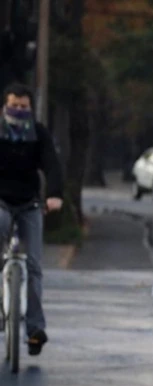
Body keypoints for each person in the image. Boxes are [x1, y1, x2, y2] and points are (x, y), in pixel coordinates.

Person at [0, 82, 63, 355]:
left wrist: (55, 194)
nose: (18, 110)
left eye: (23, 107)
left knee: (35, 266)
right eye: (14, 105)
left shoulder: (38, 134)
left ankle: (35, 328)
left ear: (30, 108)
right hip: (0, 202)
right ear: (5, 105)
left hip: (30, 203)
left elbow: (52, 163)